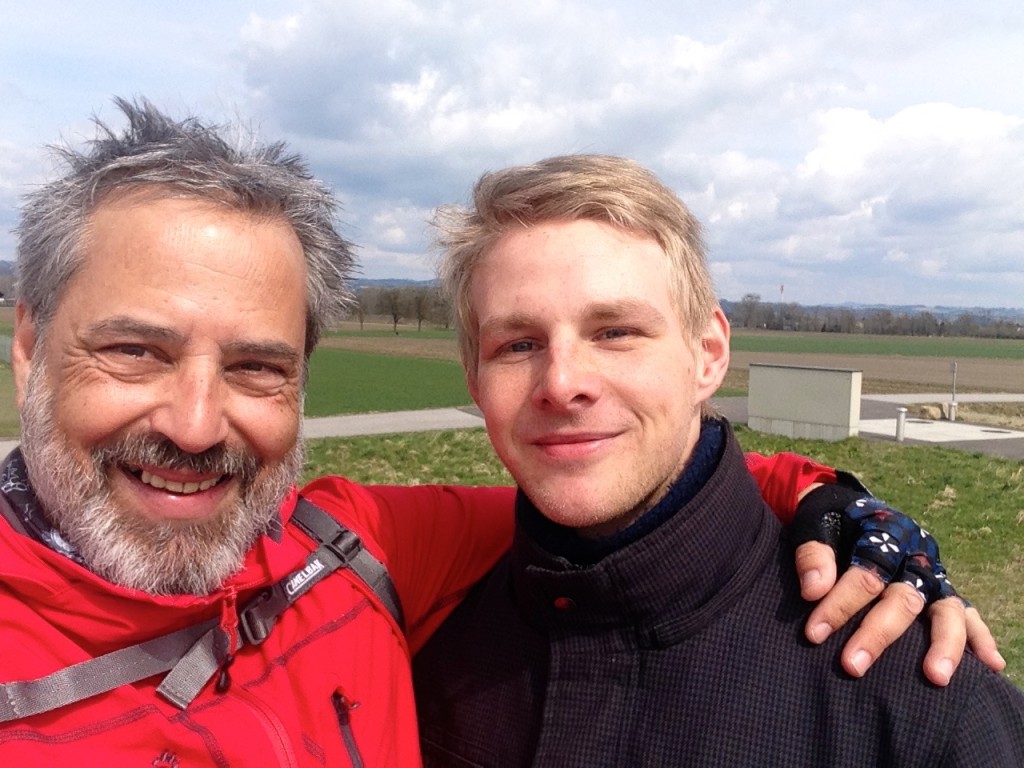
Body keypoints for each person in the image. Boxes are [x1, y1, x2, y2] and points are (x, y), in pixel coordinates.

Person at [0, 100, 998, 765]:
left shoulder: (346, 553)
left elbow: (642, 512)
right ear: (30, 346)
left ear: (707, 356)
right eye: (134, 350)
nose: (193, 420)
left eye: (259, 366)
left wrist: (834, 503)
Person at [412, 154, 1024, 766]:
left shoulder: (927, 705)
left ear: (707, 355)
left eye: (615, 331)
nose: (563, 381)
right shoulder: (413, 643)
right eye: (517, 344)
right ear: (474, 380)